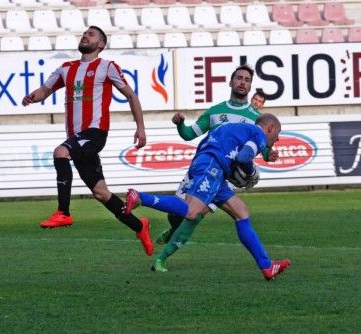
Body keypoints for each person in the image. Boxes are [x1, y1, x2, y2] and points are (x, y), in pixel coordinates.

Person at [21, 26, 154, 256]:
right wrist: (33, 96)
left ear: (101, 45)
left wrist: (140, 128)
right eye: (84, 33)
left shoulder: (107, 67)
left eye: (91, 35)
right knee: (101, 193)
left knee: (60, 153)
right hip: (77, 138)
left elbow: (131, 95)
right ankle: (139, 225)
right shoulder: (66, 69)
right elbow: (45, 89)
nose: (85, 36)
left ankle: (63, 212)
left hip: (94, 133)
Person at [124, 113, 291, 281]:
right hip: (212, 166)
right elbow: (243, 157)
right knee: (191, 212)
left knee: (241, 212)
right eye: (277, 134)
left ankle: (267, 266)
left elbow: (225, 148)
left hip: (210, 164)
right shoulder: (259, 134)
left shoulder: (240, 129)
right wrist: (250, 172)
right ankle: (140, 197)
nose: (277, 139)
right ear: (271, 128)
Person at [155, 65, 278, 249]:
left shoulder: (256, 118)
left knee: (195, 214)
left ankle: (163, 257)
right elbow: (189, 134)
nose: (242, 82)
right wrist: (180, 124)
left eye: (247, 80)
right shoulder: (215, 111)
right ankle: (173, 229)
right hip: (203, 166)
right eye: (239, 78)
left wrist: (269, 154)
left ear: (250, 86)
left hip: (225, 175)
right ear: (231, 82)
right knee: (175, 213)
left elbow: (262, 148)